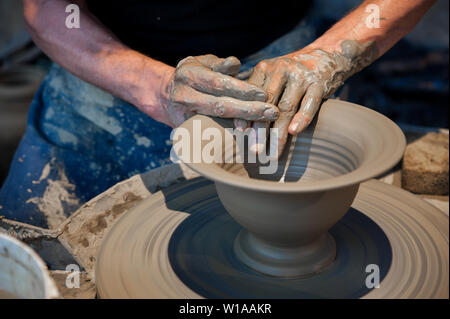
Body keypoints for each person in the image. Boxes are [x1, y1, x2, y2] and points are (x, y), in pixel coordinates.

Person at [0, 0, 435, 227]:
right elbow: (47, 8)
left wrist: (328, 55)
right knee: (36, 248)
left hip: (282, 70)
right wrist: (156, 87)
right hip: (101, 73)